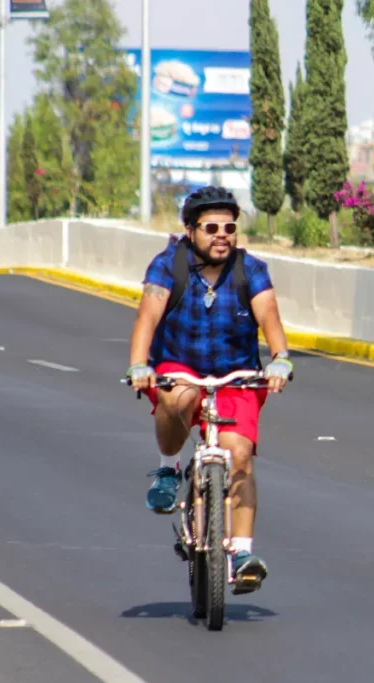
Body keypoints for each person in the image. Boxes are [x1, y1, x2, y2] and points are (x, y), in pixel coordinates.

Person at [126, 185, 294, 593]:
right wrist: (138, 365)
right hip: (179, 364)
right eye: (211, 227)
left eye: (230, 227)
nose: (222, 234)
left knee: (238, 455)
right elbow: (148, 317)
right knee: (178, 397)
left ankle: (240, 553)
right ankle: (169, 468)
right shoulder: (169, 266)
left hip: (237, 373)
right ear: (190, 230)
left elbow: (269, 316)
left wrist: (280, 359)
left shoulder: (250, 269)